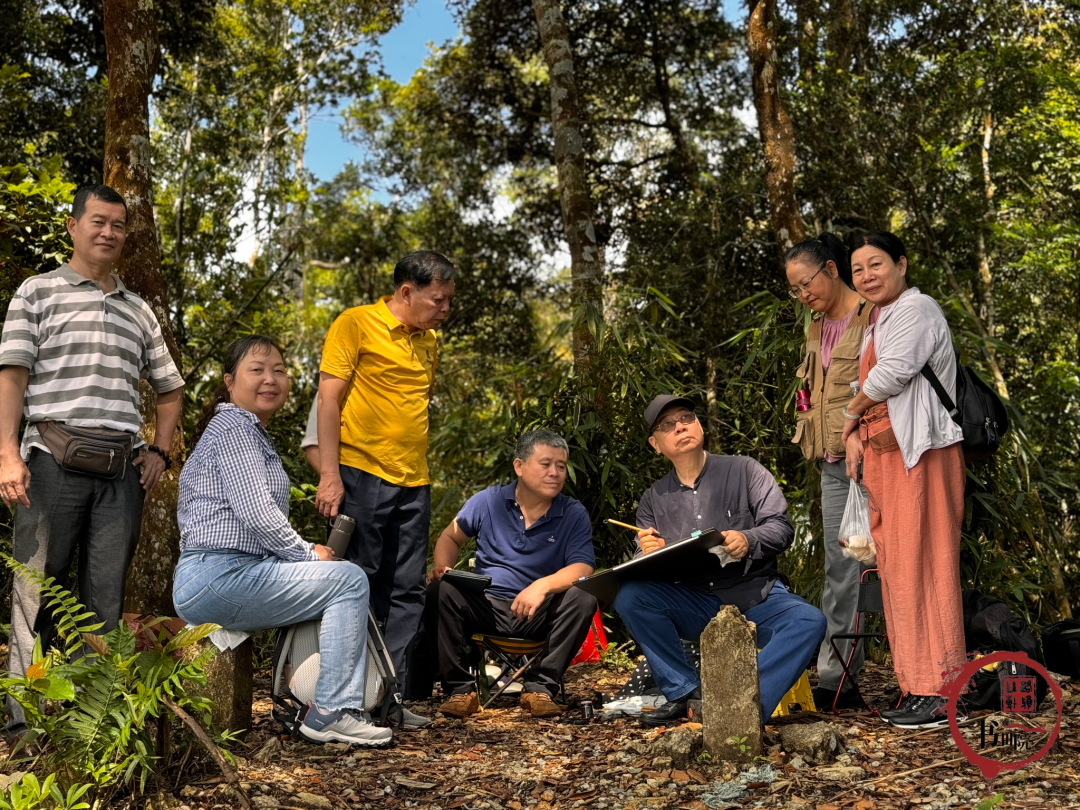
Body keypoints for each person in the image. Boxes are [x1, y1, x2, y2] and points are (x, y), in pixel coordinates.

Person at [0, 185, 184, 739]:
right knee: (37, 589)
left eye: (119, 225)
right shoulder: (37, 292)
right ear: (73, 227)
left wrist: (159, 451)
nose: (109, 233)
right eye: (98, 221)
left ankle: (89, 722)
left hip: (119, 473)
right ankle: (24, 722)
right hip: (49, 461)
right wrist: (8, 453)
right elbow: (12, 374)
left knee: (104, 597)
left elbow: (169, 389)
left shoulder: (139, 310)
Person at [172, 335, 391, 748]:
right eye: (257, 370)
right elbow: (257, 514)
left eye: (279, 371)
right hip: (218, 573)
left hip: (232, 572)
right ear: (229, 380)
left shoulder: (250, 432)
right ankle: (332, 711)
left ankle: (331, 702)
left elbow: (252, 521)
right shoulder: (234, 427)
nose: (270, 379)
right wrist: (308, 553)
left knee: (337, 575)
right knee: (348, 579)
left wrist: (307, 556)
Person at [613, 395, 827, 726]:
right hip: (694, 600)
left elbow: (781, 528)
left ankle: (742, 707)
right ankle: (686, 694)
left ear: (700, 426)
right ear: (656, 444)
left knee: (808, 621)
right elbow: (645, 561)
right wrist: (646, 553)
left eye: (686, 417)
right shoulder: (653, 499)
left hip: (755, 594)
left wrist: (749, 538)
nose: (680, 426)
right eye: (667, 425)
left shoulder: (744, 469)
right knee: (631, 595)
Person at [314, 250, 456, 728]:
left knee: (406, 591)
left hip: (414, 481)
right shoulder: (355, 323)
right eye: (438, 300)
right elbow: (328, 400)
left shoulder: (430, 341)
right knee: (359, 583)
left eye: (449, 301)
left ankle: (385, 699)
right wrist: (330, 473)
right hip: (360, 473)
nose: (444, 310)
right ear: (406, 292)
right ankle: (345, 699)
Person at [840, 232, 966, 730]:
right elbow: (870, 382)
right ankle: (917, 684)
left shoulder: (919, 310)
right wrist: (856, 435)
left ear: (902, 265)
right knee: (898, 570)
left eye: (877, 264)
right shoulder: (877, 319)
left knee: (928, 566)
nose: (868, 276)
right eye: (858, 270)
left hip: (924, 457)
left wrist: (848, 417)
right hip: (889, 460)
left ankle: (942, 689)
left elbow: (891, 374)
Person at [426, 429, 597, 718]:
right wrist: (444, 568)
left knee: (585, 593)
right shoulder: (488, 501)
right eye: (546, 464)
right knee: (440, 589)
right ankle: (460, 691)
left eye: (561, 466)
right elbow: (450, 537)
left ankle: (540, 688)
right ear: (519, 466)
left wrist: (541, 586)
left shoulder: (572, 512)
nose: (555, 473)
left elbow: (583, 567)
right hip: (486, 607)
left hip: (538, 614)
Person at [785, 234, 872, 711]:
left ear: (832, 269)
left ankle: (920, 674)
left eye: (806, 283)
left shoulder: (872, 313)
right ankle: (838, 678)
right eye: (795, 290)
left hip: (879, 461)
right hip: (834, 468)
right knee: (841, 568)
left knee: (892, 568)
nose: (803, 295)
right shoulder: (816, 325)